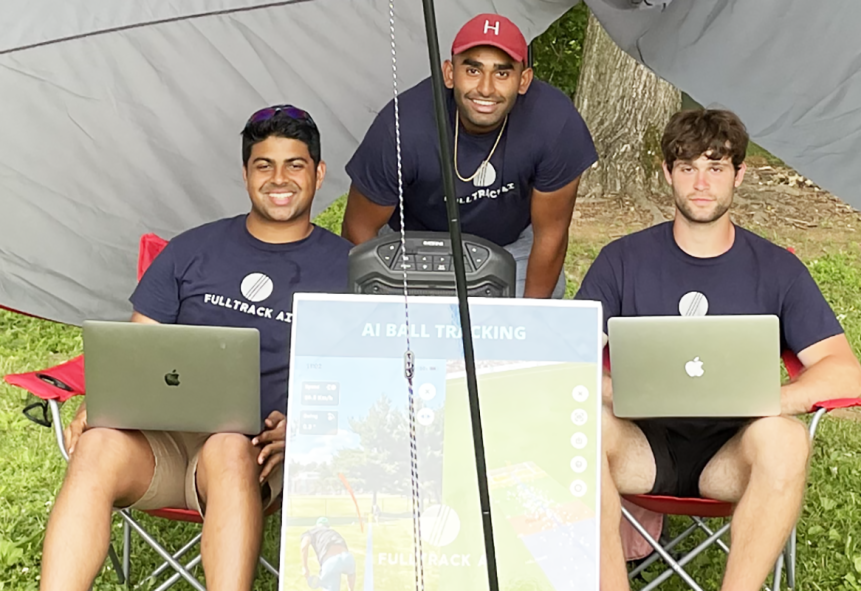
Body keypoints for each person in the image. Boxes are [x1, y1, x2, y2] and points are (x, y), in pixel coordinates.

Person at [39, 105, 352, 591]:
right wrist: (102, 400)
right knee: (98, 444)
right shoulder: (192, 249)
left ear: (319, 173)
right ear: (246, 174)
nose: (279, 178)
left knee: (228, 446)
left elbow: (368, 378)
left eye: (295, 164)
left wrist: (311, 427)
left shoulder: (347, 270)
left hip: (256, 451)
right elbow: (137, 345)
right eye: (264, 165)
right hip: (161, 443)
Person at [575, 109, 861, 591]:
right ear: (667, 174)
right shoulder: (622, 261)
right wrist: (617, 392)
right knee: (577, 427)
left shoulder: (777, 270)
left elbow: (844, 373)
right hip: (640, 446)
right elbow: (567, 361)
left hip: (732, 454)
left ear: (740, 174)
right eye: (687, 167)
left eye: (716, 167)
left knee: (786, 439)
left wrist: (764, 401)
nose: (701, 182)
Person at [341, 13, 598, 298]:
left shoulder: (556, 124)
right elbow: (359, 228)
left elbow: (550, 235)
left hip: (510, 247)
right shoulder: (402, 126)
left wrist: (525, 321)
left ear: (524, 80)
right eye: (473, 71)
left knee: (526, 318)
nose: (486, 89)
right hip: (414, 247)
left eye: (502, 73)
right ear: (450, 74)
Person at [301, 517, 357, 591]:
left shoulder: (312, 531)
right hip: (348, 559)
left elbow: (304, 545)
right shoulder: (333, 532)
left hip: (331, 562)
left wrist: (305, 567)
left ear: (317, 525)